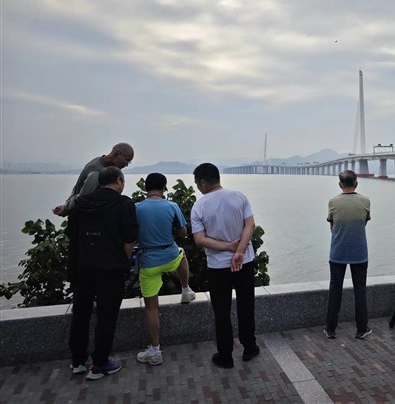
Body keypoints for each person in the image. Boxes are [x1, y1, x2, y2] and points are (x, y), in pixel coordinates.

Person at [67, 166, 137, 380]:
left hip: (82, 267)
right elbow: (129, 238)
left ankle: (78, 361)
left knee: (80, 313)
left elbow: (72, 233)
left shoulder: (80, 203)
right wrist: (125, 260)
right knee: (107, 316)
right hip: (111, 269)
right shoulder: (124, 204)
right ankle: (99, 364)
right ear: (118, 181)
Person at [191, 163, 259, 369]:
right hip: (244, 262)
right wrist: (239, 251)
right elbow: (250, 225)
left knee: (221, 311)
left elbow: (199, 240)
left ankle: (225, 356)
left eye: (197, 183)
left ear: (203, 182)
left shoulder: (199, 206)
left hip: (218, 267)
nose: (198, 187)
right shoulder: (239, 196)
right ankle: (249, 347)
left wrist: (227, 247)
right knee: (246, 305)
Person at [134, 173, 196, 366]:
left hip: (148, 261)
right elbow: (183, 232)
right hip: (169, 255)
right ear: (164, 188)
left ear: (146, 188)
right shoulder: (172, 206)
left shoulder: (136, 208)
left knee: (152, 308)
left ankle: (155, 351)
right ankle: (185, 290)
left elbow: (130, 232)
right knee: (182, 254)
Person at [324, 170, 372, 340]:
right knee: (360, 290)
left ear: (340, 184)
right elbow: (364, 222)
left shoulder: (333, 202)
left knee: (335, 289)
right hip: (359, 252)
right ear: (356, 184)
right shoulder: (365, 201)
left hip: (338, 252)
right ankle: (361, 329)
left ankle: (330, 329)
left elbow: (332, 226)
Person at [53, 143, 135, 217]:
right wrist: (65, 209)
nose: (126, 165)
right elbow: (83, 197)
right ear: (116, 154)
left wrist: (66, 206)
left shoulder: (99, 161)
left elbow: (77, 189)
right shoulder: (96, 172)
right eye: (126, 160)